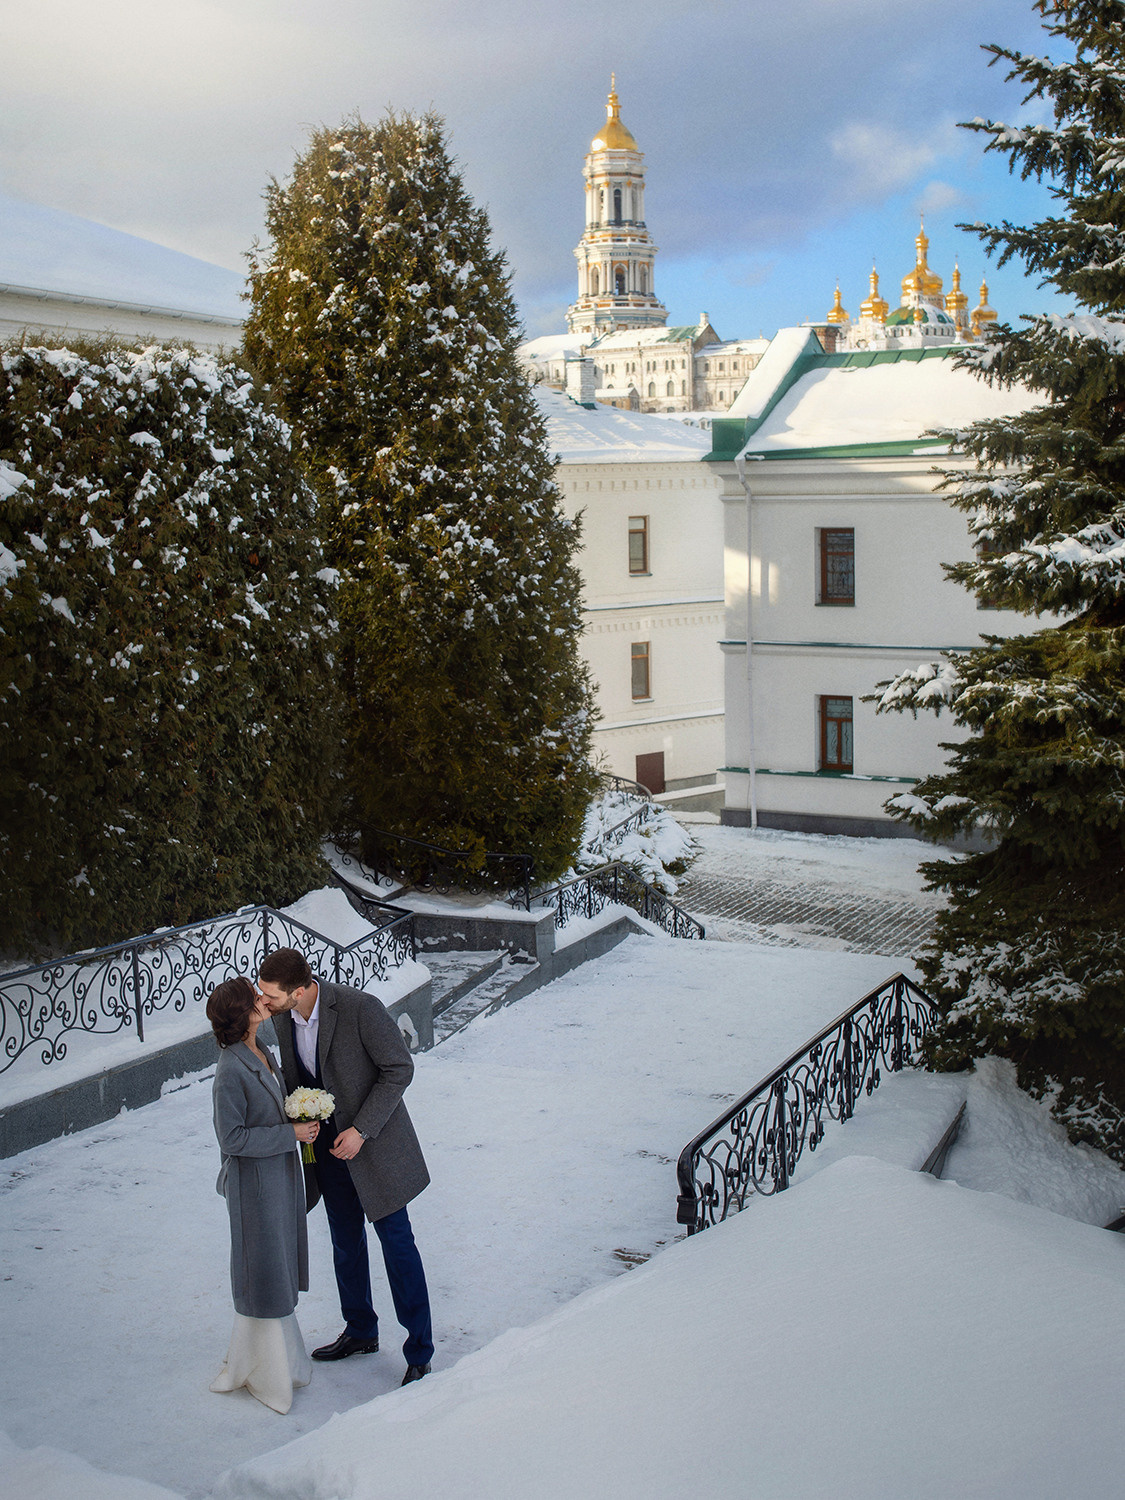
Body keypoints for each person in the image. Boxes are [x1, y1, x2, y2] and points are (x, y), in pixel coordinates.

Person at [258, 947, 435, 1385]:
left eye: (271, 996)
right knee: (345, 1243)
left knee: (398, 1246)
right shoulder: (282, 1019)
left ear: (298, 991)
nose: (264, 1004)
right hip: (327, 1155)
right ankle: (360, 1330)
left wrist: (362, 1130)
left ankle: (420, 1351)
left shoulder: (359, 1008)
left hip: (374, 1150)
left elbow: (399, 1068)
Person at [206, 974, 320, 1415]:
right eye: (253, 998)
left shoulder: (261, 1049)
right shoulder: (229, 1071)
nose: (262, 999)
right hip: (254, 1189)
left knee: (278, 1265)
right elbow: (232, 1138)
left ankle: (280, 1362)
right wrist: (289, 1132)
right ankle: (266, 1371)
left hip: (277, 1179)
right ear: (242, 1015)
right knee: (265, 1271)